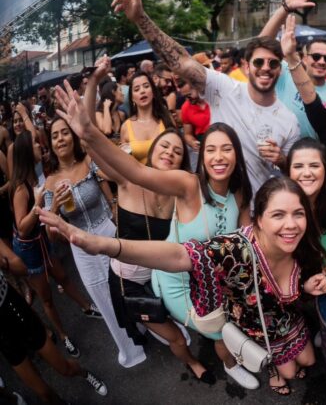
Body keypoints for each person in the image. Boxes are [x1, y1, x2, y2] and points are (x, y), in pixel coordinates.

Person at [39, 177, 326, 397]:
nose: (291, 225)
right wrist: (103, 245)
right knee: (291, 371)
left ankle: (291, 358)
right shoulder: (235, 250)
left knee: (309, 359)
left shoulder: (301, 244)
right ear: (258, 220)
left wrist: (307, 285)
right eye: (278, 215)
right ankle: (274, 369)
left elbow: (297, 282)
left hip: (288, 321)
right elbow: (179, 255)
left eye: (298, 214)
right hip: (257, 330)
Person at [53, 78, 258, 387]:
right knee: (214, 328)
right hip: (164, 279)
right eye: (211, 149)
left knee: (227, 315)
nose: (218, 156)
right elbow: (133, 170)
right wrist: (87, 131)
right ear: (201, 158)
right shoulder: (186, 185)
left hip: (201, 277)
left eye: (227, 149)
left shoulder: (235, 194)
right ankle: (223, 363)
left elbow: (244, 238)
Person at [82, 57, 215, 383]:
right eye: (163, 147)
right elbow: (88, 136)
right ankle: (192, 363)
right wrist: (95, 82)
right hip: (129, 281)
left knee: (190, 326)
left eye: (177, 151)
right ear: (150, 153)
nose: (170, 151)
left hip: (166, 279)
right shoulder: (129, 182)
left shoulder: (181, 195)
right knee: (174, 338)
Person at [111, 0, 301, 192]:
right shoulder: (224, 88)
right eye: (259, 62)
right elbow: (181, 61)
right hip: (214, 204)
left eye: (273, 63)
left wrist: (282, 160)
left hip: (258, 213)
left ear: (280, 68)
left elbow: (295, 174)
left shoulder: (288, 121)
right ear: (247, 66)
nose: (266, 68)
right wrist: (140, 18)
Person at [43, 118, 146, 368]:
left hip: (107, 232)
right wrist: (55, 206)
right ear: (51, 144)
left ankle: (148, 326)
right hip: (80, 246)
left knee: (130, 282)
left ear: (72, 137)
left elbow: (112, 182)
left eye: (65, 133)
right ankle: (129, 348)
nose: (60, 139)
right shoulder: (49, 183)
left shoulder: (88, 162)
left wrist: (114, 212)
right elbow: (51, 235)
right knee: (102, 296)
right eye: (55, 135)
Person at [9, 130, 98, 359]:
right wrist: (38, 204)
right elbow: (21, 227)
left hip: (42, 240)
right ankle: (64, 336)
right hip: (29, 249)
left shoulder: (36, 173)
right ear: (28, 152)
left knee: (63, 276)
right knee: (47, 297)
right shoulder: (20, 188)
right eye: (37, 145)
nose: (42, 147)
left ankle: (88, 307)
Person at [0, 261, 108, 404]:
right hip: (2, 335)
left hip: (14, 310)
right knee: (44, 394)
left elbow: (18, 266)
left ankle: (85, 373)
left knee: (65, 369)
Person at [120, 71, 173, 164]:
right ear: (132, 98)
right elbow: (124, 165)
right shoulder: (126, 127)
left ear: (153, 91)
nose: (142, 91)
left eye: (146, 86)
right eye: (137, 89)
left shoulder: (166, 119)